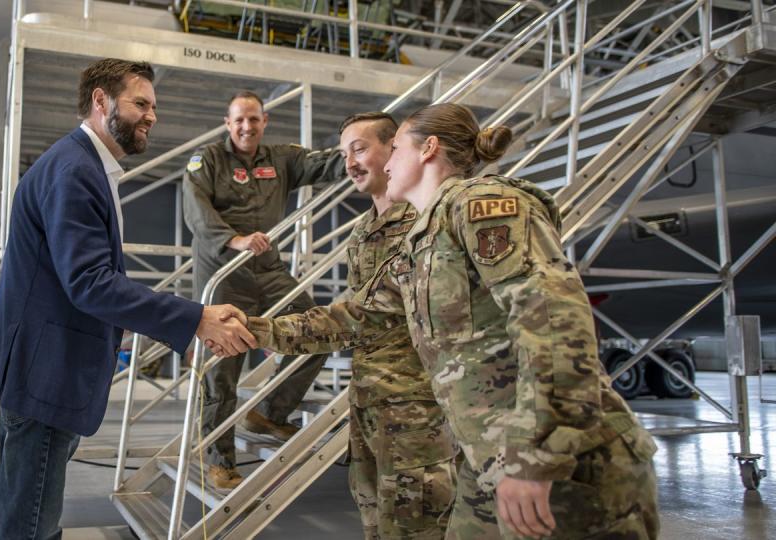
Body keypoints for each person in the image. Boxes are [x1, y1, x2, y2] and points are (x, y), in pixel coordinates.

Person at [240, 103, 659, 539]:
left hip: (563, 459)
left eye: (396, 148)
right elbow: (361, 315)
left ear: (428, 150)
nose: (389, 163)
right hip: (489, 456)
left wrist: (536, 456)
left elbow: (555, 321)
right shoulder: (423, 240)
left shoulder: (481, 206)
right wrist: (252, 329)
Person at [0, 58, 255, 540]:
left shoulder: (82, 165)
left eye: (153, 107)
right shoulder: (75, 170)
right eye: (140, 103)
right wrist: (196, 319)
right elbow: (89, 282)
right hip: (45, 375)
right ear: (101, 102)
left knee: (7, 502)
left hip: (37, 369)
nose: (151, 115)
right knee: (30, 521)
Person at [182, 90, 346, 489]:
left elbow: (325, 164)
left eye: (254, 119)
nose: (246, 126)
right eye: (239, 119)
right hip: (223, 272)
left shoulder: (281, 158)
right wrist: (234, 239)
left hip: (267, 269)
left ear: (264, 121)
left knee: (318, 332)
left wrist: (367, 151)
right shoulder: (207, 161)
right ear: (227, 123)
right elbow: (196, 212)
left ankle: (271, 413)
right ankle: (219, 459)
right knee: (222, 369)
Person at [337, 111, 457, 538]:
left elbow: (359, 316)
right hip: (369, 406)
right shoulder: (361, 232)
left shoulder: (426, 220)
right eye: (343, 154)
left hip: (415, 413)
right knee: (376, 526)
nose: (350, 163)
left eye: (359, 148)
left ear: (393, 150)